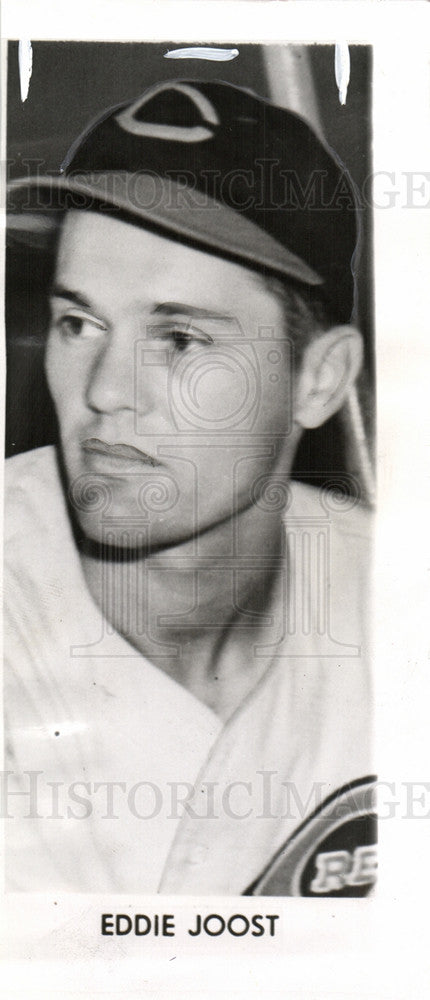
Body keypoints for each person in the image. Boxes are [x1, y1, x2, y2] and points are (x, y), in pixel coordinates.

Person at [4, 79, 375, 896]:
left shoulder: (393, 604)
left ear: (319, 379)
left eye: (177, 338)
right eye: (79, 324)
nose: (104, 391)